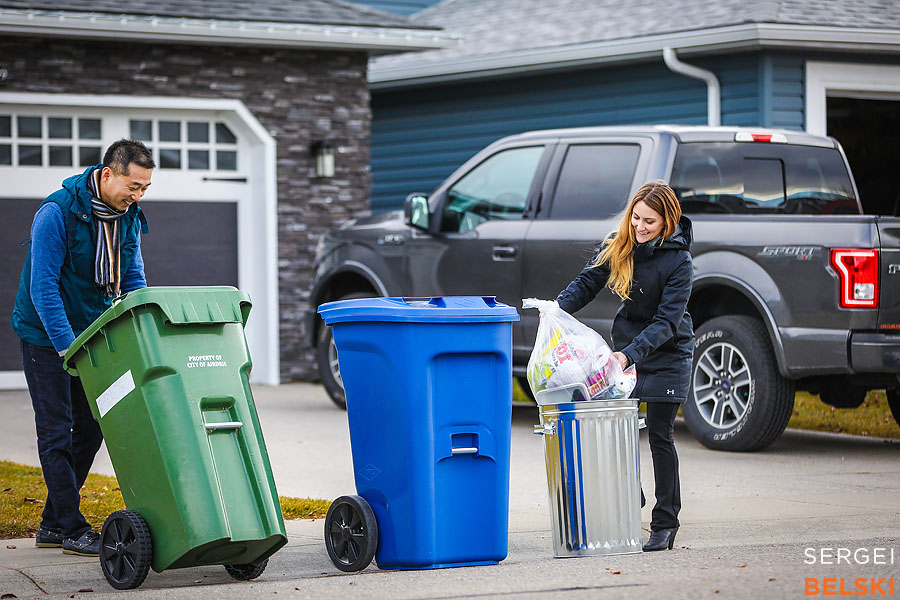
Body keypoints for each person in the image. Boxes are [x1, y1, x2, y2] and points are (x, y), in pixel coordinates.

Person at [11, 139, 154, 556]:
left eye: (145, 188)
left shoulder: (126, 216)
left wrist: (141, 328)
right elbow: (44, 288)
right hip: (46, 335)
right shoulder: (56, 213)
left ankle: (52, 524)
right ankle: (71, 527)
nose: (138, 195)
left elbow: (133, 276)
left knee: (93, 425)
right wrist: (67, 349)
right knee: (56, 431)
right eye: (133, 185)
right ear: (107, 174)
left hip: (92, 333)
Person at [555, 180, 693, 552]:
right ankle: (632, 493)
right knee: (621, 430)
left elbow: (667, 323)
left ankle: (665, 523)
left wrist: (628, 354)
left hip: (667, 351)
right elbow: (589, 281)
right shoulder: (621, 242)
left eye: (650, 221)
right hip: (628, 348)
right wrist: (556, 311)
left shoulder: (679, 261)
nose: (640, 227)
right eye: (636, 218)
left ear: (668, 221)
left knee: (660, 434)